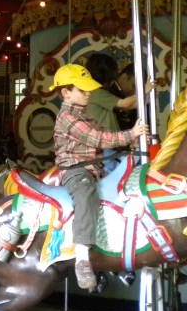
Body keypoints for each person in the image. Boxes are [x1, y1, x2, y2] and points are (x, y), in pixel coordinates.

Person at [51, 64, 147, 290]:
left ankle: (115, 256)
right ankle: (82, 258)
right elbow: (96, 139)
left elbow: (104, 135)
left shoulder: (84, 114)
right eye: (82, 90)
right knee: (86, 196)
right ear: (66, 92)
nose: (88, 93)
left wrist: (131, 142)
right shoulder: (67, 117)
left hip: (95, 168)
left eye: (88, 89)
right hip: (76, 171)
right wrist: (130, 134)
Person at [85, 54, 153, 132]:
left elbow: (129, 106)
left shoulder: (94, 92)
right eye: (133, 86)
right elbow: (125, 104)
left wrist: (146, 98)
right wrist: (144, 90)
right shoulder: (98, 93)